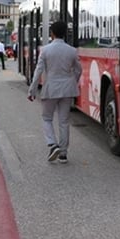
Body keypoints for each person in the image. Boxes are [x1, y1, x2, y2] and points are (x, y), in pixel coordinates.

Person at [27, 21, 82, 164]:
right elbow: (78, 70)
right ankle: (63, 154)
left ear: (52, 33)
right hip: (67, 89)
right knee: (64, 121)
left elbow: (38, 71)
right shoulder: (72, 50)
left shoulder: (45, 50)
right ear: (65, 33)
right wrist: (72, 82)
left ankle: (52, 144)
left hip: (51, 87)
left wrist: (32, 89)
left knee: (47, 118)